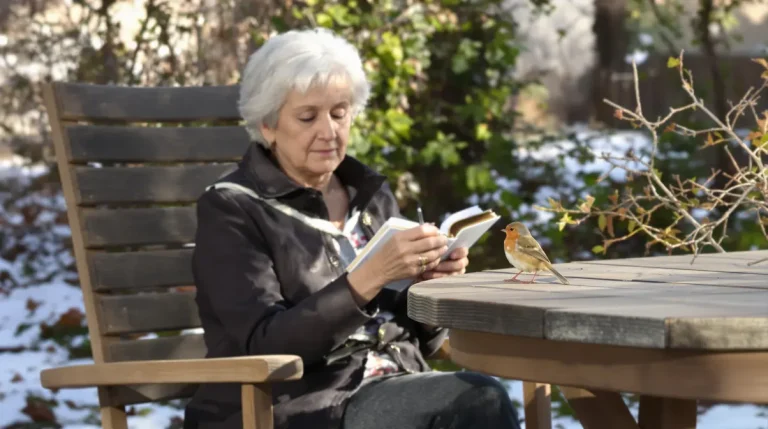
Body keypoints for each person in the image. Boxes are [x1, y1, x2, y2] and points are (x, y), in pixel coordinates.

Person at [183, 28, 521, 429]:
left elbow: (421, 342)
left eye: (339, 113)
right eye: (308, 117)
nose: (328, 131)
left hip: (395, 385)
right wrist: (368, 278)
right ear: (268, 124)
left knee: (472, 399)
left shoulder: (370, 196)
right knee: (476, 400)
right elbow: (265, 344)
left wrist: (430, 290)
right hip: (301, 405)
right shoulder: (232, 208)